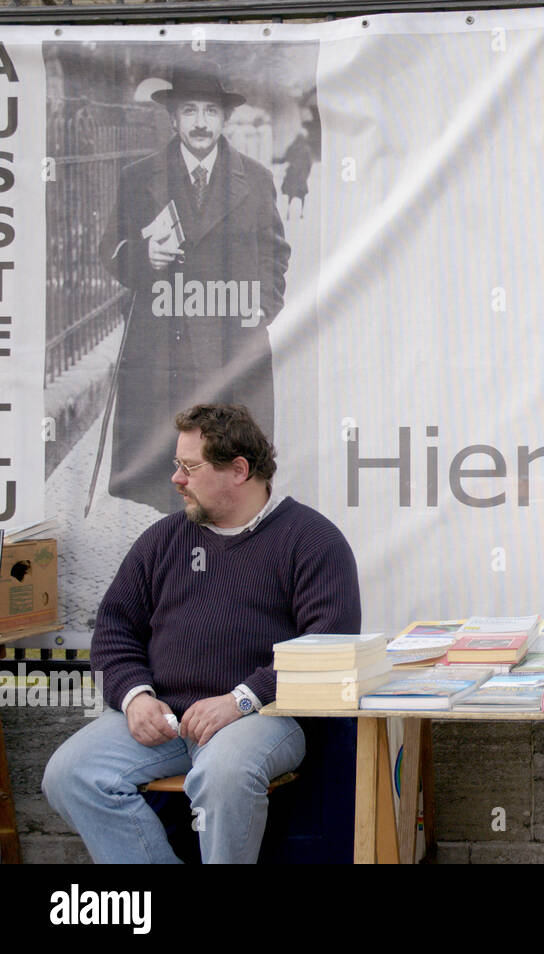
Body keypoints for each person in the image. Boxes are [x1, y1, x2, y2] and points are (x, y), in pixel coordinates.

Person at [44, 404, 361, 863]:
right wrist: (135, 697)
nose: (177, 478)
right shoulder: (164, 539)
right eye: (177, 465)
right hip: (167, 719)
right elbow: (114, 629)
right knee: (70, 773)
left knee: (226, 772)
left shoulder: (311, 540)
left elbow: (328, 647)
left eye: (190, 467)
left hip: (263, 718)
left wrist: (241, 699)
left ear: (238, 470)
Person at [99, 66, 291, 513]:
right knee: (166, 472)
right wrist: (145, 257)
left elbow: (275, 255)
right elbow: (111, 249)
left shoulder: (257, 179)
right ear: (173, 119)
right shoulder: (139, 177)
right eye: (189, 111)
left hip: (231, 345)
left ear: (224, 120)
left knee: (232, 468)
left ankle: (230, 557)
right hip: (163, 345)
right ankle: (176, 554)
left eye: (210, 111)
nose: (201, 122)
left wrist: (260, 309)